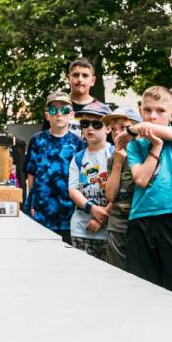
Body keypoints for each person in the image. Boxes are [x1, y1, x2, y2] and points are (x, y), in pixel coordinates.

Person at [120, 86, 172, 299]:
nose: (153, 116)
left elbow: (153, 130)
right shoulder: (136, 146)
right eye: (147, 110)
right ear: (140, 110)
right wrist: (155, 146)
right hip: (141, 218)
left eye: (161, 111)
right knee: (142, 287)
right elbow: (142, 179)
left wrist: (130, 130)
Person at [24, 91, 86, 243]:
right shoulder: (37, 141)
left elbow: (82, 181)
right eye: (53, 110)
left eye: (64, 110)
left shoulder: (79, 144)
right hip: (41, 214)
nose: (59, 114)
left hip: (69, 215)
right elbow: (30, 176)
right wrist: (30, 204)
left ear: (71, 115)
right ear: (47, 115)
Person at [68, 101, 115, 259]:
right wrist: (92, 209)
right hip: (81, 228)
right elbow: (73, 189)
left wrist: (101, 217)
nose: (89, 128)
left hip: (109, 229)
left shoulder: (116, 154)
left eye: (96, 124)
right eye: (85, 124)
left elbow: (124, 189)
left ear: (108, 128)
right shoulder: (78, 158)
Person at [102, 106, 142, 270]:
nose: (118, 133)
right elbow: (110, 195)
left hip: (139, 223)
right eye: (113, 129)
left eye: (124, 128)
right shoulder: (113, 158)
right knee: (116, 272)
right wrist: (118, 163)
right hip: (117, 224)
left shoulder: (143, 152)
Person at [41, 57, 97, 133]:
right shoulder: (54, 105)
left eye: (85, 75)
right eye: (76, 75)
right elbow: (45, 138)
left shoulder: (101, 110)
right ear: (68, 78)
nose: (80, 79)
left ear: (93, 81)